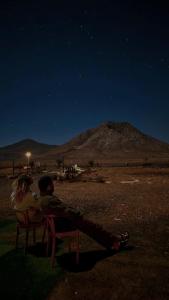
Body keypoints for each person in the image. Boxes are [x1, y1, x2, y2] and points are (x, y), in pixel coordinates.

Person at [38, 175, 129, 250]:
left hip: (58, 224)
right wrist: (77, 214)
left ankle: (113, 241)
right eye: (52, 184)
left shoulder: (42, 199)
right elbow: (66, 211)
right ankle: (115, 241)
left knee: (92, 227)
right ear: (49, 187)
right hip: (63, 225)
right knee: (93, 227)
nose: (53, 186)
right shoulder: (49, 200)